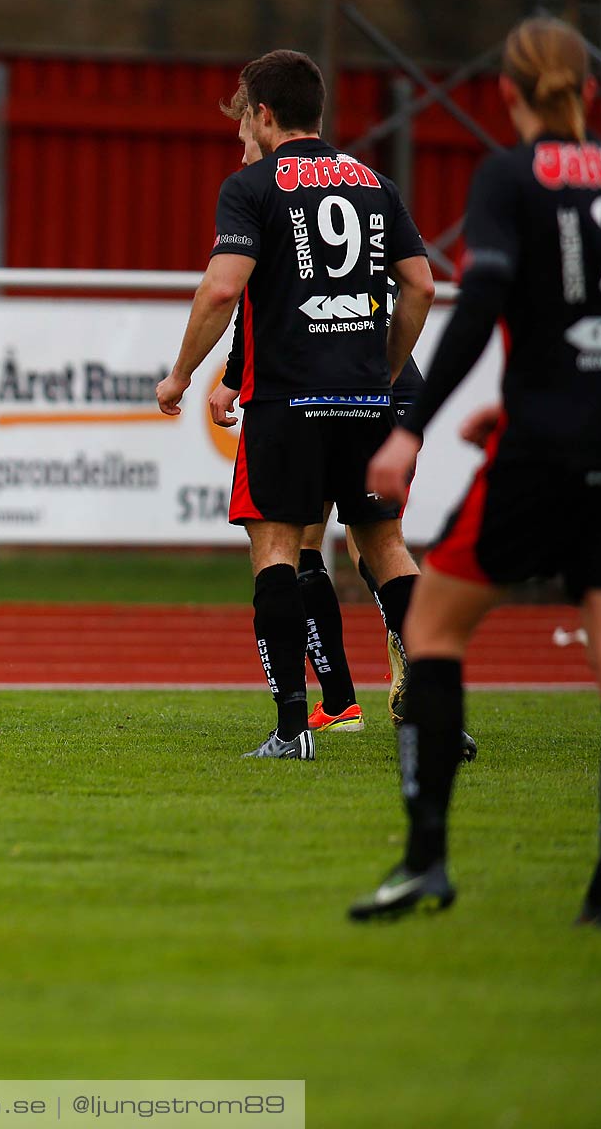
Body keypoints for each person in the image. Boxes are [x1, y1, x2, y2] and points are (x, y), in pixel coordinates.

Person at [349, 17, 601, 923]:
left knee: (434, 629)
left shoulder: (507, 177)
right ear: (588, 91)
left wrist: (411, 423)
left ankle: (425, 861)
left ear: (506, 93)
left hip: (541, 452)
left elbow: (483, 298)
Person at [154, 49, 437, 761]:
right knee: (388, 550)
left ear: (265, 114)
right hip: (367, 399)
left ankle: (291, 730)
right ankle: (436, 709)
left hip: (289, 400)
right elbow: (423, 286)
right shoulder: (375, 181)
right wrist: (386, 367)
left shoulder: (252, 187)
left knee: (277, 548)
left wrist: (182, 373)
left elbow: (223, 289)